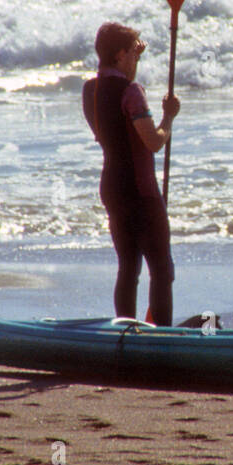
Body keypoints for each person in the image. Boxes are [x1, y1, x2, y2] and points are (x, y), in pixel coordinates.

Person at [82, 21, 180, 325]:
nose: (136, 60)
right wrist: (168, 117)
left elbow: (111, 130)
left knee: (128, 268)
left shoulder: (90, 90)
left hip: (111, 186)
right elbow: (152, 142)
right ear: (121, 53)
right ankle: (162, 340)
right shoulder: (132, 91)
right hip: (140, 189)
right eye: (133, 54)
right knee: (162, 271)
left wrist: (133, 56)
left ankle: (125, 333)